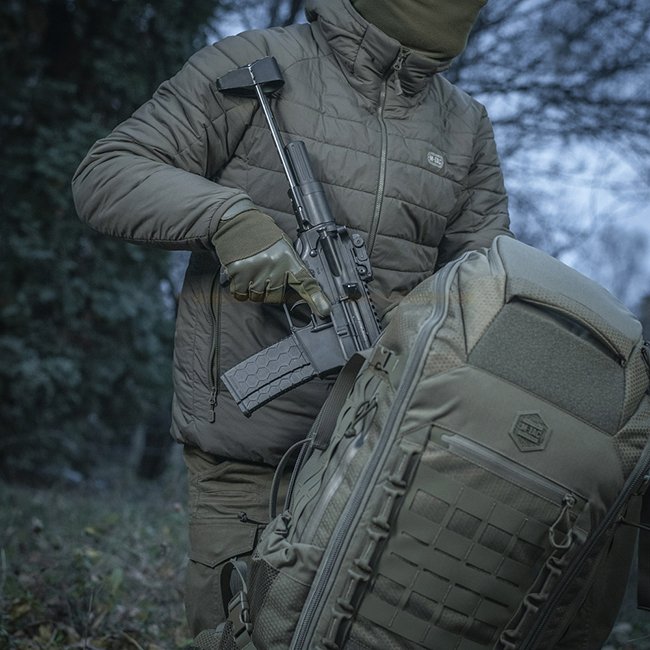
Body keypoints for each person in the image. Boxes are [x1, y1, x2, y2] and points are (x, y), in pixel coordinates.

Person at [72, 0, 511, 637]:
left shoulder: (465, 124)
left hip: (385, 461)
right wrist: (225, 219)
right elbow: (107, 174)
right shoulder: (254, 62)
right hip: (245, 449)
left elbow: (484, 287)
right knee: (237, 633)